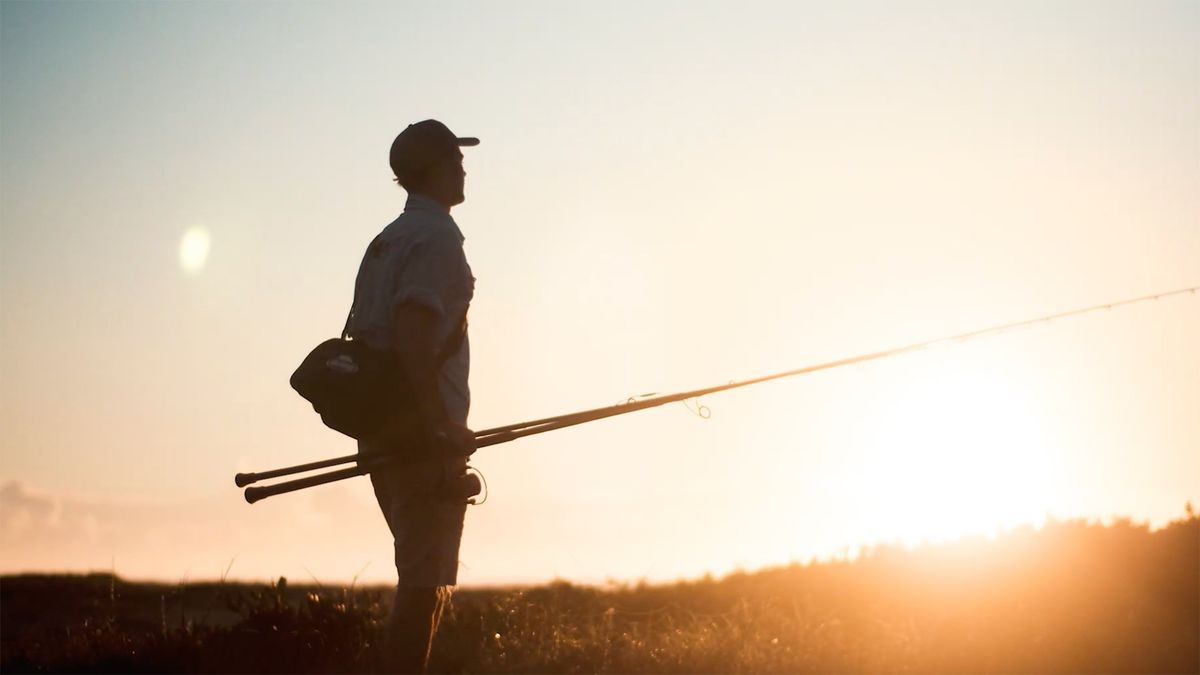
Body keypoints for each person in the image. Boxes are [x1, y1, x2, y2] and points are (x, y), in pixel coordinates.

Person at [346, 119, 480, 672]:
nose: (464, 168)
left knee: (420, 578)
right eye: (455, 159)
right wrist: (438, 426)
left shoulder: (388, 238)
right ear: (435, 170)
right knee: (424, 586)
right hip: (421, 435)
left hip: (383, 430)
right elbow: (412, 328)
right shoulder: (436, 238)